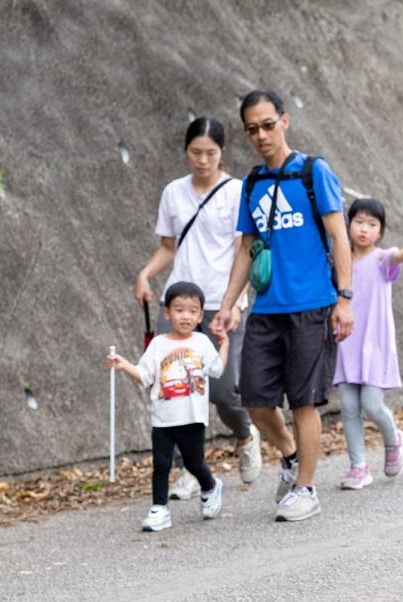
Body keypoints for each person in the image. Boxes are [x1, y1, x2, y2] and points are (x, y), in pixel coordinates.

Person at [212, 89, 354, 522]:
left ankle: (306, 489)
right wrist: (228, 304)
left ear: (284, 122)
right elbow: (245, 249)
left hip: (312, 306)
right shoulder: (252, 183)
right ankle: (291, 456)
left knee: (304, 402)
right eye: (252, 129)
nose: (261, 135)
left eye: (268, 125)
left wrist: (345, 298)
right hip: (266, 309)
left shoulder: (313, 172)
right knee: (255, 399)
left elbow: (340, 236)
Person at [134, 117, 262, 501]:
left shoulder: (237, 192)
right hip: (178, 304)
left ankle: (245, 434)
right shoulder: (174, 192)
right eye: (195, 152)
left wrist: (235, 304)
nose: (202, 161)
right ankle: (188, 469)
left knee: (222, 390)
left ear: (222, 153)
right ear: (185, 151)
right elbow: (168, 247)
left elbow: (244, 251)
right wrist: (145, 275)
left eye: (210, 153)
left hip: (222, 304)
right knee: (173, 390)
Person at [107, 282, 228, 532]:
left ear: (200, 316)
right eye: (179, 310)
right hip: (162, 418)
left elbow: (217, 369)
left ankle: (210, 486)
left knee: (194, 464)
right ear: (167, 313)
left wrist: (224, 345)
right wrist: (123, 365)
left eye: (192, 311)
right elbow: (144, 375)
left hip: (192, 418)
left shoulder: (202, 342)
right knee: (161, 464)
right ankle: (159, 509)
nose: (186, 316)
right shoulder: (158, 344)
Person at [333, 198, 403, 490]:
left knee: (372, 405)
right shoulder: (339, 261)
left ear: (381, 231)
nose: (364, 229)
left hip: (374, 344)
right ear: (348, 225)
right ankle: (358, 467)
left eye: (372, 224)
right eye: (358, 222)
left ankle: (393, 439)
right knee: (349, 407)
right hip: (345, 342)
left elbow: (397, 256)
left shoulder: (381, 259)